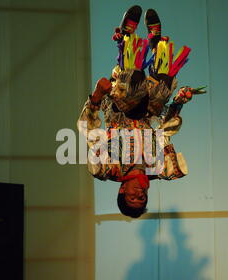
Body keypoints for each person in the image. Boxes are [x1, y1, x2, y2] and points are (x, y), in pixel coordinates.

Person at [77, 6, 206, 218]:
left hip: (120, 107)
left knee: (135, 86)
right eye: (142, 198)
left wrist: (98, 94)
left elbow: (89, 131)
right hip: (148, 112)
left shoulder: (107, 169)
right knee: (162, 87)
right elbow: (164, 131)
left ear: (122, 190)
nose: (139, 194)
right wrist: (179, 103)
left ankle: (127, 37)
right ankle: (156, 42)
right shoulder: (158, 168)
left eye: (132, 198)